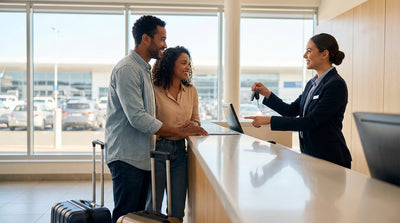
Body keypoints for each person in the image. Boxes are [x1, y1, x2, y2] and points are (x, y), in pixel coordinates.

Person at [105, 16, 208, 223]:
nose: (165, 45)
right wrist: (180, 132)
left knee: (141, 217)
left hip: (141, 157)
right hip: (127, 158)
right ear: (145, 39)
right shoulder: (128, 69)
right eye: (161, 39)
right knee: (127, 216)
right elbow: (138, 118)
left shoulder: (143, 70)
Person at [245, 33, 352, 168]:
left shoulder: (335, 84)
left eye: (309, 51)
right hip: (310, 155)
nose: (304, 56)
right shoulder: (312, 84)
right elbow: (290, 111)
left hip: (330, 158)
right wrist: (267, 94)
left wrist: (269, 120)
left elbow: (310, 122)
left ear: (324, 54)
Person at [145, 46, 200, 221]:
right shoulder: (153, 89)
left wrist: (193, 124)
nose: (188, 67)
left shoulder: (191, 90)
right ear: (169, 64)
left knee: (177, 209)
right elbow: (151, 122)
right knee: (153, 207)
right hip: (159, 150)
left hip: (180, 152)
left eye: (189, 64)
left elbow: (196, 120)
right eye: (183, 63)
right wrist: (180, 129)